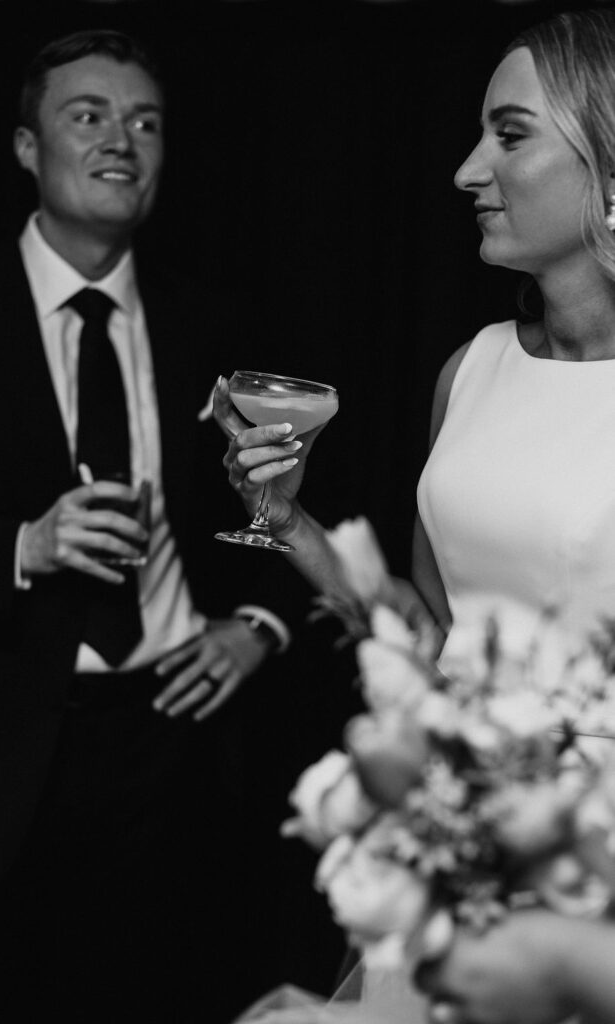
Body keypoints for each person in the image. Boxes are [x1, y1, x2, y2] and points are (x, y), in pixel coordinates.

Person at [214, 6, 615, 1023]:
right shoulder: (469, 370)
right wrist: (288, 519)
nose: (466, 170)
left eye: (509, 133)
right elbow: (434, 639)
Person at [0, 28, 308, 1024]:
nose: (120, 141)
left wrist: (259, 626)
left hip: (178, 752)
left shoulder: (217, 327)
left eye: (144, 122)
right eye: (87, 115)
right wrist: (23, 545)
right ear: (26, 148)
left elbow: (295, 509)